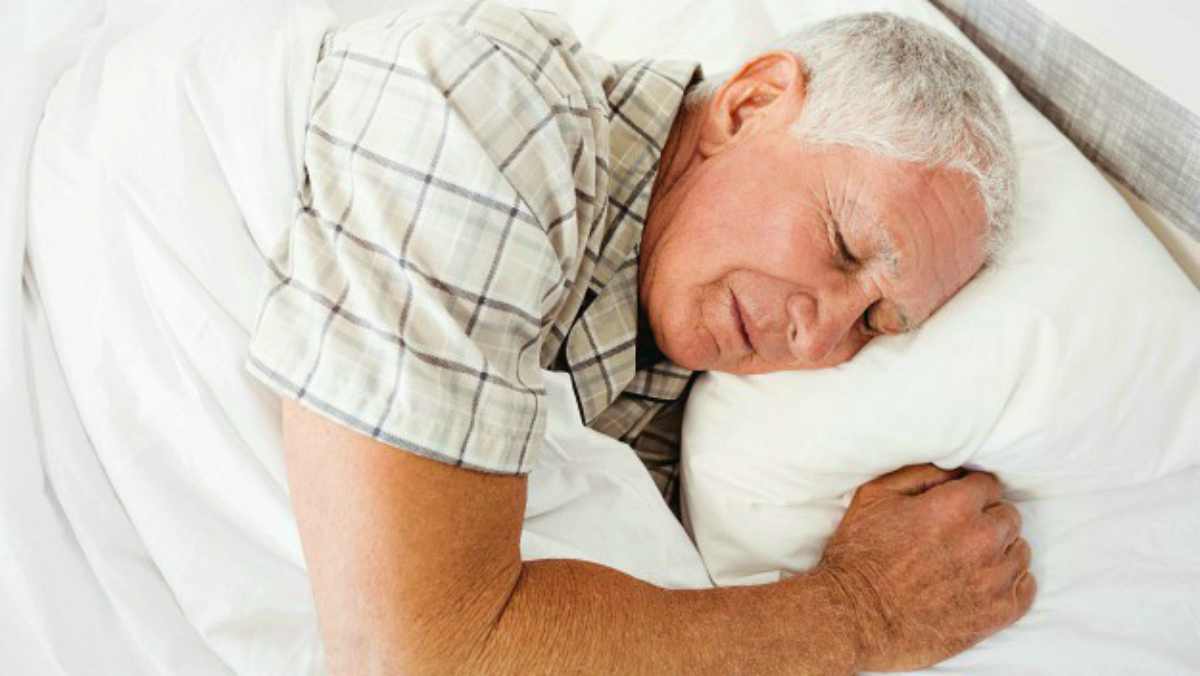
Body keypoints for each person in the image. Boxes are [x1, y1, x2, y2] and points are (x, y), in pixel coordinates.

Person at [244, 2, 1033, 673]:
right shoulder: (501, 102)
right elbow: (413, 650)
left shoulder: (668, 421)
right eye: (843, 245)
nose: (820, 334)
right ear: (751, 104)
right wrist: (862, 613)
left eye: (874, 321)